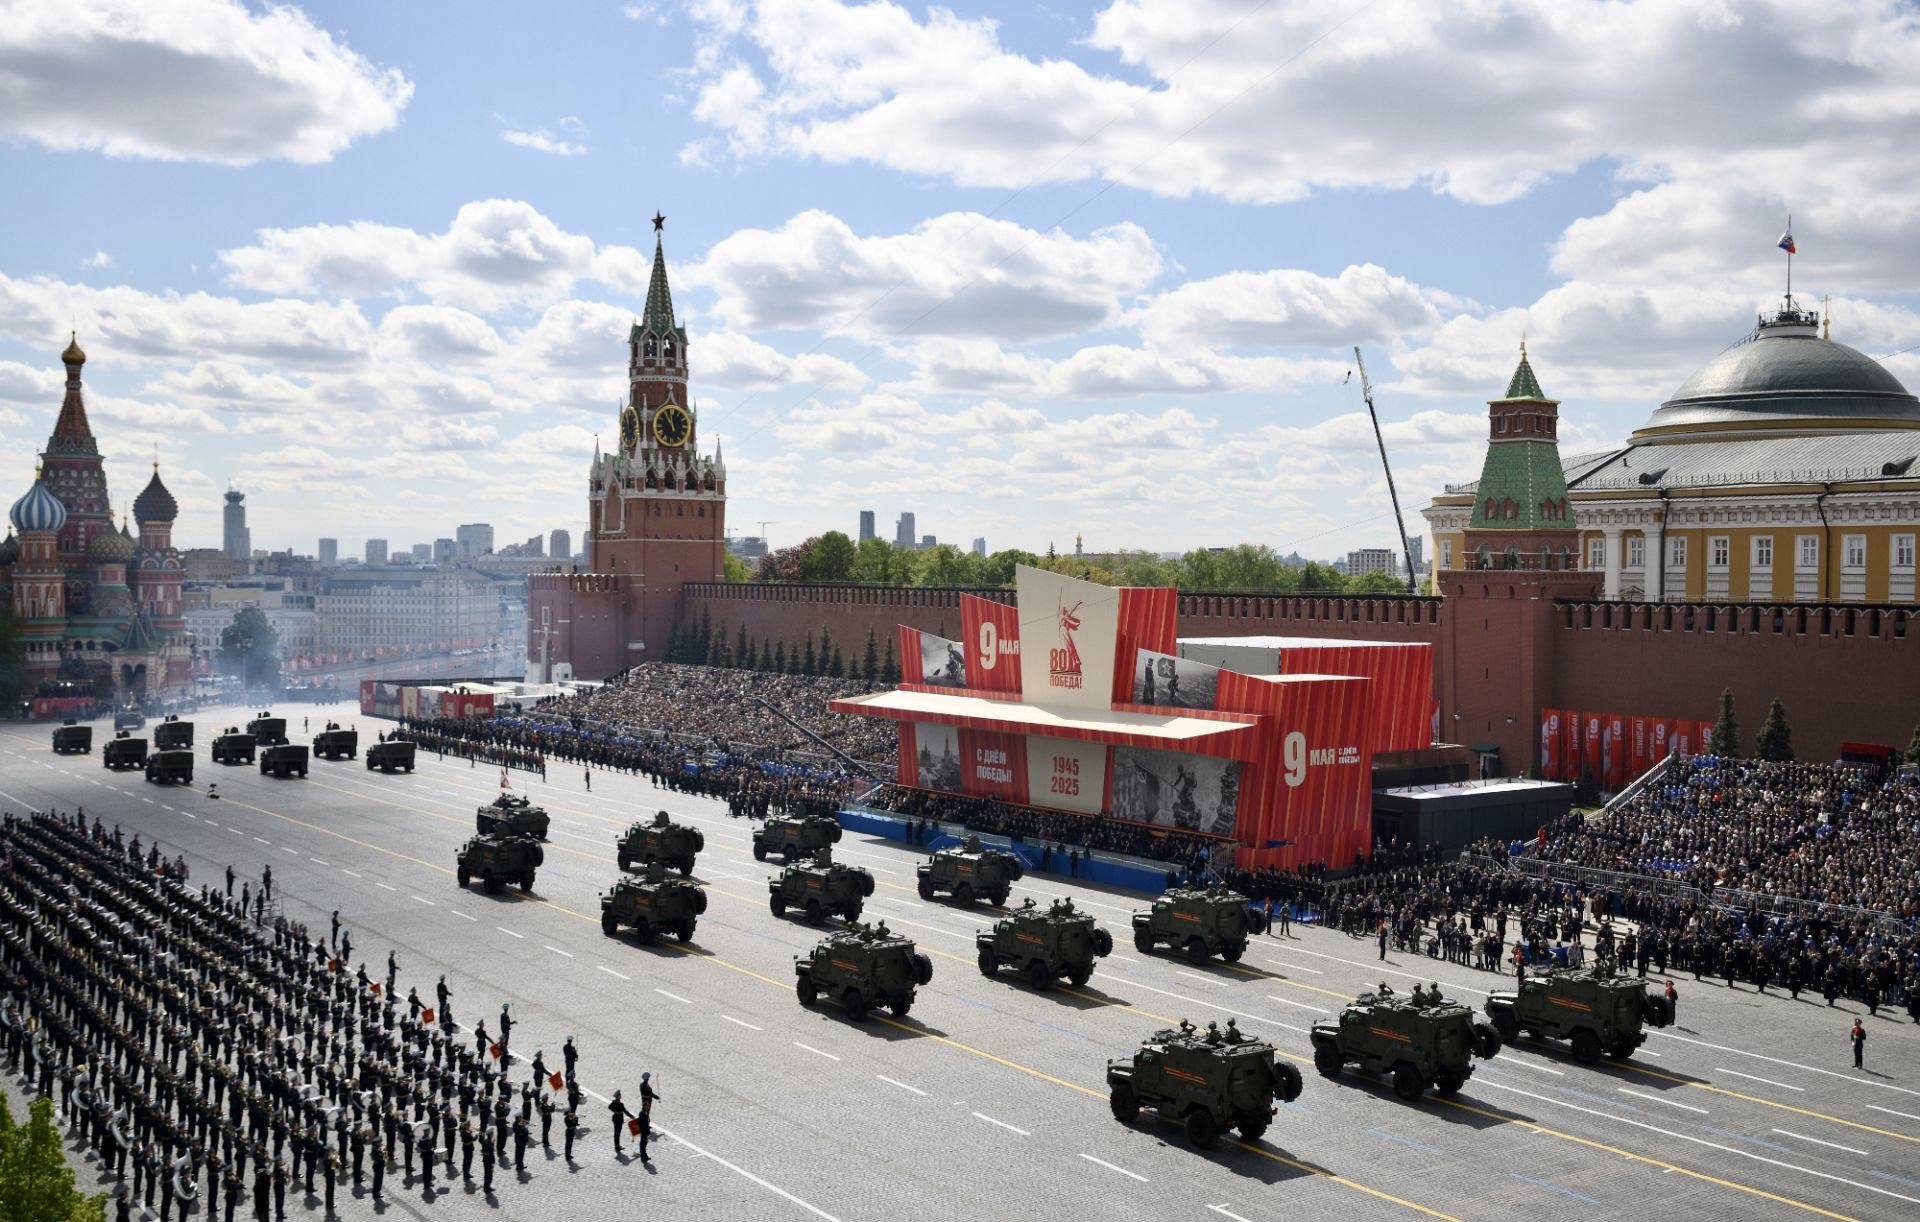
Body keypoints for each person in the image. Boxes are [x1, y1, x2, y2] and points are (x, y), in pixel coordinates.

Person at [637, 1072, 660, 1162]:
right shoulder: (644, 1086)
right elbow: (650, 1093)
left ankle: (647, 1123)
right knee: (646, 1114)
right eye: (647, 1079)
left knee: (646, 1114)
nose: (648, 1080)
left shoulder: (643, 1084)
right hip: (646, 1099)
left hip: (647, 1100)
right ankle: (647, 1124)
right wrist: (656, 1097)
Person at [607, 1090, 632, 1155]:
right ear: (618, 1096)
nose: (621, 1096)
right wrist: (632, 1116)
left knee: (616, 1133)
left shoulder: (613, 1102)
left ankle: (617, 1146)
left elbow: (609, 1107)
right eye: (620, 1095)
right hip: (619, 1119)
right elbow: (626, 1112)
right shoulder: (621, 1104)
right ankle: (617, 1147)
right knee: (617, 1133)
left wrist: (614, 1111)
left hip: (615, 1118)